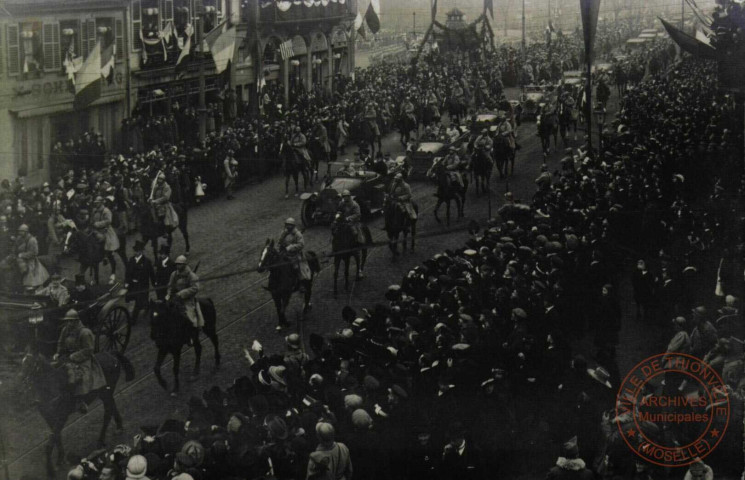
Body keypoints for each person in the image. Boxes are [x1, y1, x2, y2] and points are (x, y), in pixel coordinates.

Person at [54, 309, 106, 413]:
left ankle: (81, 401)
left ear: (76, 321)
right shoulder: (65, 330)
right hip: (68, 357)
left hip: (83, 358)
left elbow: (89, 350)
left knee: (79, 376)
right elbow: (60, 342)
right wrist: (58, 353)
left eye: (71, 321)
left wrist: (75, 356)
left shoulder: (85, 332)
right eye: (67, 321)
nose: (69, 323)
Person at [7, 224, 49, 289]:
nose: (20, 233)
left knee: (29, 273)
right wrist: (13, 254)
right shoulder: (19, 238)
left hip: (30, 260)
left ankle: (29, 287)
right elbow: (14, 247)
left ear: (26, 232)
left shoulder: (32, 240)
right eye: (19, 231)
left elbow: (34, 253)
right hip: (18, 258)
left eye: (22, 231)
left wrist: (22, 255)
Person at [166, 255, 203, 328]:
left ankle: (194, 329)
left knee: (190, 317)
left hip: (188, 299)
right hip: (175, 298)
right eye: (177, 264)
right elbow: (170, 285)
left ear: (184, 265)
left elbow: (195, 288)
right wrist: (169, 293)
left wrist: (181, 293)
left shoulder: (191, 276)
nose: (177, 266)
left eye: (179, 264)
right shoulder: (174, 274)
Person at [125, 239, 155, 325]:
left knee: (138, 302)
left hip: (142, 285)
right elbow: (127, 273)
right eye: (135, 251)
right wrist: (127, 282)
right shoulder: (131, 260)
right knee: (134, 299)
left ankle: (133, 320)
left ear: (141, 251)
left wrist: (154, 283)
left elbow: (151, 273)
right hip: (132, 285)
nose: (135, 252)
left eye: (137, 251)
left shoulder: (146, 262)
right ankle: (148, 305)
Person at [92, 196, 120, 283]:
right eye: (95, 203)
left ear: (101, 203)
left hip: (106, 230)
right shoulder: (94, 210)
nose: (95, 204)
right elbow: (92, 219)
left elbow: (108, 221)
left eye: (97, 203)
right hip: (96, 230)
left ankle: (106, 257)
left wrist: (98, 224)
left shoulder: (106, 211)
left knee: (105, 242)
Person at [278, 218, 311, 284]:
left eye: (289, 225)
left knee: (296, 267)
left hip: (295, 254)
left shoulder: (297, 234)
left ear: (293, 226)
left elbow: (301, 244)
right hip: (285, 253)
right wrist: (280, 245)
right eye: (287, 224)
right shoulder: (284, 233)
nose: (287, 226)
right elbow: (279, 241)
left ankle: (300, 282)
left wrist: (291, 247)